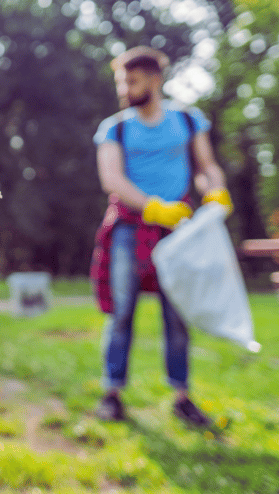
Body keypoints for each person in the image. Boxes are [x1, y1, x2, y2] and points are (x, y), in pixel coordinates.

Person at [90, 46, 233, 426]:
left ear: (155, 80)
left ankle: (182, 397)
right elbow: (112, 179)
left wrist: (215, 191)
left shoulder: (187, 120)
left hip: (177, 230)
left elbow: (206, 167)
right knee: (121, 312)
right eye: (122, 82)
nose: (125, 89)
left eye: (133, 81)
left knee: (178, 313)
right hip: (129, 228)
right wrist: (152, 207)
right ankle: (112, 393)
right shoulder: (115, 128)